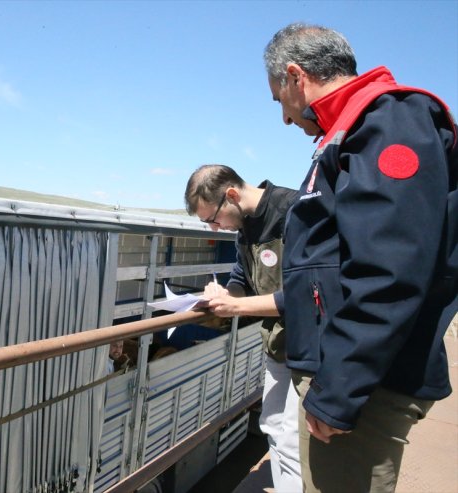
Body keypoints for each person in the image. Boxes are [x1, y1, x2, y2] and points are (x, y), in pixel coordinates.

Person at [263, 22, 457, 492]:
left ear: (295, 76)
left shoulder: (389, 119)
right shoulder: (351, 128)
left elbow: (390, 272)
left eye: (280, 100)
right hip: (353, 370)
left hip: (366, 383)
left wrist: (338, 392)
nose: (286, 119)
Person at [185, 164, 302, 492]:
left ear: (232, 196)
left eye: (213, 219)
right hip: (279, 345)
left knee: (293, 437)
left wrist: (237, 306)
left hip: (311, 350)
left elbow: (305, 294)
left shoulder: (295, 212)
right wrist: (225, 294)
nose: (215, 228)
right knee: (275, 427)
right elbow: (242, 279)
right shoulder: (245, 227)